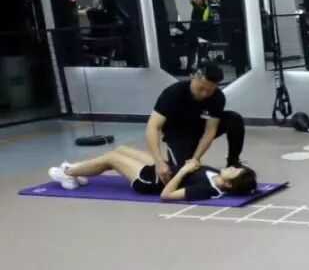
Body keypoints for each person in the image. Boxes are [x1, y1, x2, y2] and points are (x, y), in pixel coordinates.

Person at [147, 62, 245, 186]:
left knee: (234, 119)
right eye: (201, 88)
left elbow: (210, 131)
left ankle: (233, 162)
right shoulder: (173, 93)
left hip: (199, 129)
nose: (204, 94)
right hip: (178, 134)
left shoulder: (217, 97)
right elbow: (153, 127)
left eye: (209, 91)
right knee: (181, 174)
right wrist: (158, 161)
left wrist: (195, 159)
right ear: (193, 77)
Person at [48, 145, 257, 200]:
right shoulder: (217, 174)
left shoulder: (208, 190)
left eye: (234, 171)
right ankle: (79, 171)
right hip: (163, 168)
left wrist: (184, 170)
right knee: (120, 150)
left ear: (228, 184)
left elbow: (166, 195)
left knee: (112, 158)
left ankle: (69, 173)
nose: (231, 167)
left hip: (150, 181)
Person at [187, 0, 212, 70]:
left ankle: (203, 66)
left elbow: (192, 0)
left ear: (202, 0)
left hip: (201, 33)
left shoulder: (204, 8)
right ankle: (191, 66)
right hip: (193, 32)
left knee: (202, 51)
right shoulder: (196, 7)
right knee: (191, 50)